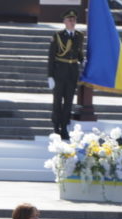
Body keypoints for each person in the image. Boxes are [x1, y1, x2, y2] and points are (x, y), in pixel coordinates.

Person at [48, 10, 83, 139]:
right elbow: (51, 57)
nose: (72, 22)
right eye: (69, 20)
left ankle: (64, 128)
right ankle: (56, 127)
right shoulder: (57, 36)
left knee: (68, 102)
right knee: (57, 101)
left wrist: (82, 59)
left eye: (74, 19)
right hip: (59, 73)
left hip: (72, 73)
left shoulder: (79, 35)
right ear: (64, 22)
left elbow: (78, 52)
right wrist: (50, 76)